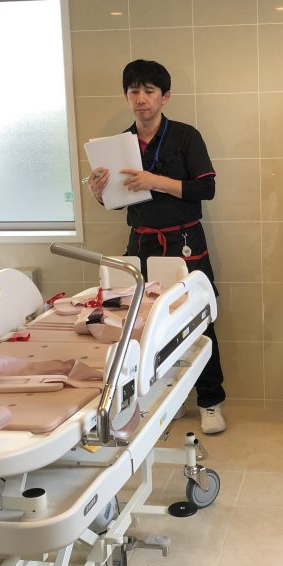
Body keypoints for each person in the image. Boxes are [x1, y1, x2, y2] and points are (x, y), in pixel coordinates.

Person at [87, 59, 227, 434]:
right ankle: (170, 396)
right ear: (126, 96)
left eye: (149, 91)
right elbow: (117, 202)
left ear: (165, 97)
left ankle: (211, 401)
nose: (141, 98)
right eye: (134, 91)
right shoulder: (117, 145)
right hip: (142, 242)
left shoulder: (185, 136)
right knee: (147, 323)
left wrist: (156, 180)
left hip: (184, 241)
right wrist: (99, 194)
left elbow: (206, 188)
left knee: (199, 317)